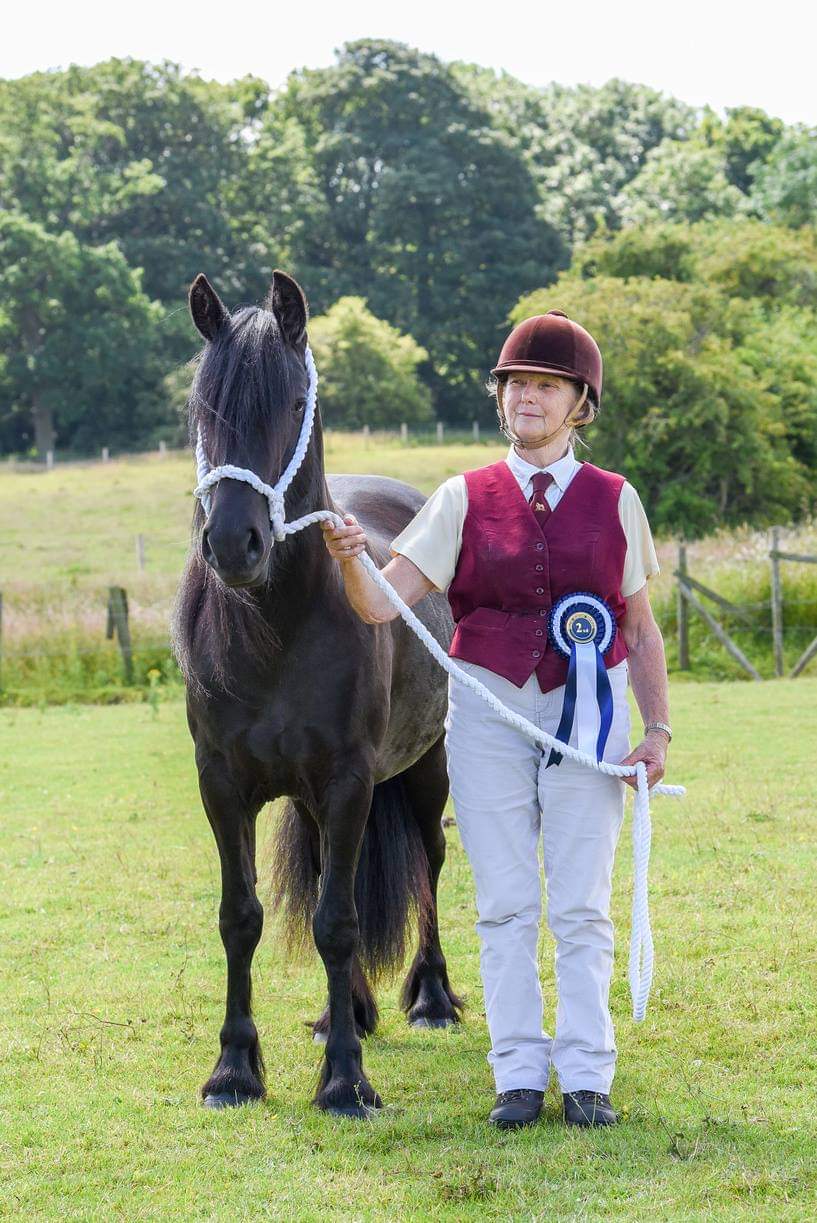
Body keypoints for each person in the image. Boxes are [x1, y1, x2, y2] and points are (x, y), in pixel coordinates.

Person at [320, 309, 671, 1130]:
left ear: (579, 403)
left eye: (545, 386)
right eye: (515, 384)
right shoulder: (458, 498)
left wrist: (655, 728)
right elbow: (379, 605)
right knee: (506, 901)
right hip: (483, 711)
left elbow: (640, 625)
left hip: (587, 712)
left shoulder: (617, 501)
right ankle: (516, 1071)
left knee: (581, 903)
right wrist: (347, 557)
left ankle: (587, 1074)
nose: (526, 398)